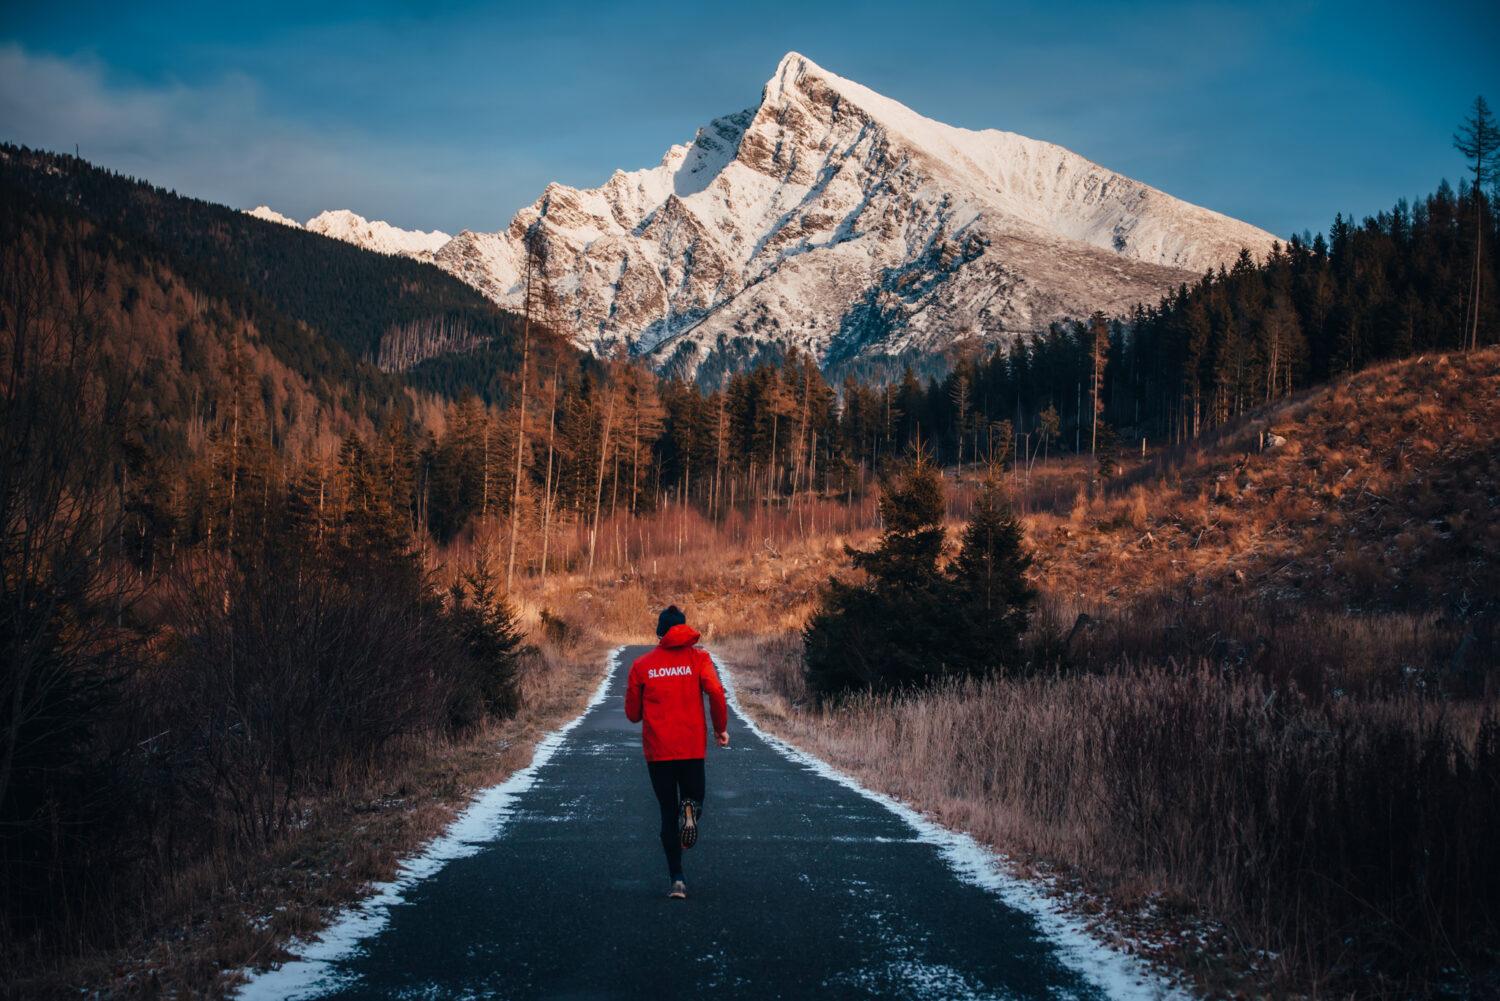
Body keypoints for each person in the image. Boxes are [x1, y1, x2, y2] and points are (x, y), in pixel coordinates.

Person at [624, 605, 729, 900]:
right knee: (695, 799)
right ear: (684, 629)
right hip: (692, 747)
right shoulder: (700, 659)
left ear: (660, 632)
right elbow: (717, 693)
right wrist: (720, 728)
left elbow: (632, 714)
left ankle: (677, 880)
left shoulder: (642, 665)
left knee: (666, 813)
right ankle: (691, 810)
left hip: (659, 751)